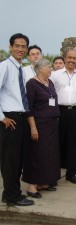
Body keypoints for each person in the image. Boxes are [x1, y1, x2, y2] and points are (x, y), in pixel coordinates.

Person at [0, 33, 34, 206]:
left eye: (23, 46)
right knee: (10, 160)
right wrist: (2, 118)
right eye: (17, 46)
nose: (20, 49)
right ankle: (13, 197)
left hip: (20, 117)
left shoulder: (21, 68)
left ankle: (10, 192)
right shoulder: (4, 66)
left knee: (18, 158)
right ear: (10, 47)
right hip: (9, 117)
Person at [22, 58, 60, 198]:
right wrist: (33, 127)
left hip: (51, 125)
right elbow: (29, 108)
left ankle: (43, 181)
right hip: (39, 124)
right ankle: (32, 186)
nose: (51, 69)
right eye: (48, 67)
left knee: (48, 154)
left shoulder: (50, 83)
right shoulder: (31, 84)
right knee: (36, 153)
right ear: (40, 69)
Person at [50, 49, 76, 184]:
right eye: (69, 58)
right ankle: (53, 175)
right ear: (65, 59)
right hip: (58, 111)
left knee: (72, 144)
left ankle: (71, 173)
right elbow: (49, 94)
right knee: (57, 144)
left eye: (74, 58)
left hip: (74, 113)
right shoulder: (55, 75)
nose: (72, 60)